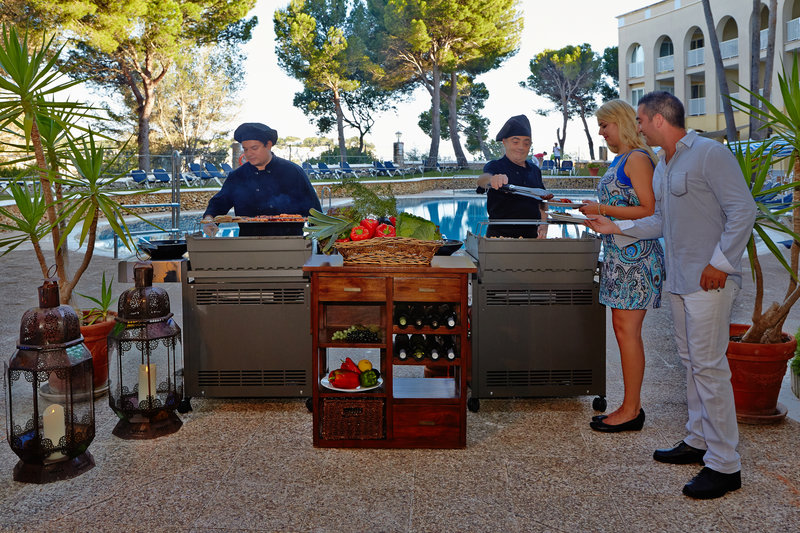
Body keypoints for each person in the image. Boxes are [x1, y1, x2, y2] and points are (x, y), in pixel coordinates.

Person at [584, 91, 756, 500]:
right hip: (679, 281)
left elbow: (743, 210)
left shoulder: (709, 154)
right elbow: (660, 221)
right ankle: (698, 439)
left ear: (658, 119)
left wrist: (720, 263)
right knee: (691, 362)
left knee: (709, 368)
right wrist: (615, 228)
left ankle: (725, 464)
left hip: (709, 281)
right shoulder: (664, 164)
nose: (638, 127)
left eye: (641, 120)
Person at [577, 100, 664, 434]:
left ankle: (631, 410)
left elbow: (650, 210)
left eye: (604, 125)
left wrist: (602, 209)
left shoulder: (638, 159)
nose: (601, 132)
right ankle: (629, 406)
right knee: (623, 330)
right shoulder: (622, 159)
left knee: (628, 332)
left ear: (620, 122)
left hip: (636, 258)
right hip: (621, 255)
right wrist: (600, 212)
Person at [202, 122, 321, 237]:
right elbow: (219, 203)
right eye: (245, 149)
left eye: (254, 148)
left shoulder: (293, 172)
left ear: (268, 145)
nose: (249, 154)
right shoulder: (237, 176)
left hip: (290, 242)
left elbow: (314, 211)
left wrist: (322, 242)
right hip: (248, 243)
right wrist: (209, 219)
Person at [476, 115, 551, 238]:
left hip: (531, 238)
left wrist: (544, 223)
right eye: (515, 142)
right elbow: (482, 180)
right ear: (504, 142)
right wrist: (493, 179)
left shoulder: (535, 170)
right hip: (499, 238)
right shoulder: (495, 166)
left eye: (526, 143)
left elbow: (542, 200)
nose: (521, 147)